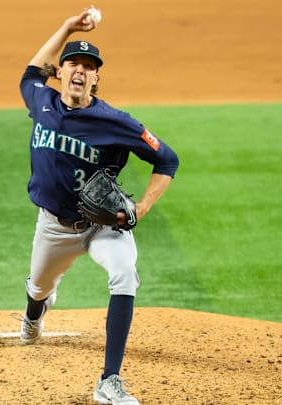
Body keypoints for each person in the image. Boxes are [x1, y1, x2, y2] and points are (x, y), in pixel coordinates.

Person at [18, 8, 179, 405]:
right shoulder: (42, 101)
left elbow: (167, 160)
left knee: (125, 273)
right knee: (39, 287)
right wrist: (67, 28)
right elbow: (29, 73)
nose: (80, 70)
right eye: (73, 62)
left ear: (96, 77)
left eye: (89, 67)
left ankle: (109, 381)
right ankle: (35, 311)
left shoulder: (115, 121)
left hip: (103, 224)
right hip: (55, 227)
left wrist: (141, 206)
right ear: (61, 72)